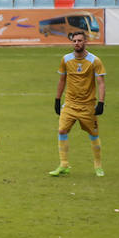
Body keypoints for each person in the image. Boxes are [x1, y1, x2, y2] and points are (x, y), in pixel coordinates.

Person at [49, 31, 107, 177]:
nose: (77, 43)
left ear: (85, 42)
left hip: (87, 106)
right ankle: (63, 165)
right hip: (70, 104)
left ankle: (98, 166)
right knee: (62, 130)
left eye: (80, 40)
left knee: (93, 134)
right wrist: (57, 100)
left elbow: (101, 83)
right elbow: (62, 80)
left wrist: (100, 103)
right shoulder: (66, 59)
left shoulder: (94, 61)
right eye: (74, 41)